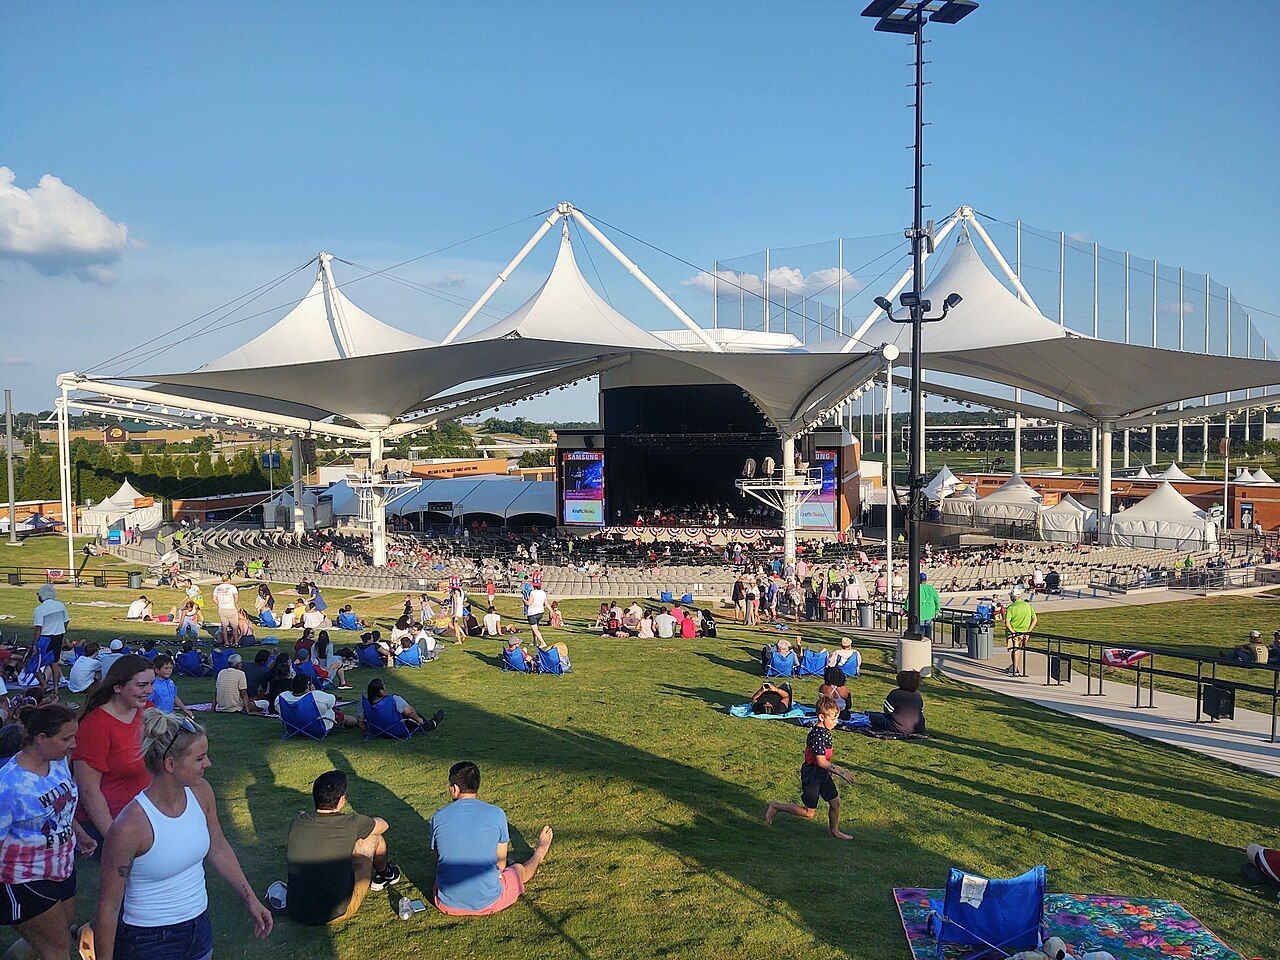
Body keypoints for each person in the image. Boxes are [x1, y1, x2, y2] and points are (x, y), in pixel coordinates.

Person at [89, 711, 273, 960]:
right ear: (170, 764)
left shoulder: (201, 793)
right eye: (199, 758)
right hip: (148, 941)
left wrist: (250, 898)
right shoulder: (130, 827)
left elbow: (218, 847)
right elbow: (108, 908)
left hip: (199, 928)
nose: (208, 764)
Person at [0, 704, 98, 960]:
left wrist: (79, 834)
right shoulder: (9, 786)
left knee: (53, 941)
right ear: (42, 739)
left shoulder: (57, 763)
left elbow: (59, 808)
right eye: (66, 738)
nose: (74, 744)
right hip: (24, 880)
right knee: (56, 951)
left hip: (63, 869)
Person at [430, 761, 554, 917]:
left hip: (446, 903)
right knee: (517, 870)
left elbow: (440, 856)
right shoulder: (496, 813)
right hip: (489, 901)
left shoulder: (438, 816)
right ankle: (540, 852)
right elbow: (501, 865)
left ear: (454, 789)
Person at [284, 770, 402, 926]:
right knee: (374, 838)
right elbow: (383, 825)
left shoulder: (298, 821)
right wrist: (364, 825)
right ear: (341, 800)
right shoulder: (351, 822)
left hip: (296, 909)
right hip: (335, 912)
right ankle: (385, 874)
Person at [73, 656, 155, 852]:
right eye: (142, 685)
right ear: (117, 687)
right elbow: (89, 791)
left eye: (152, 684)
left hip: (144, 815)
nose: (149, 691)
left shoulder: (148, 711)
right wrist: (114, 839)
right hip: (110, 822)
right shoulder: (96, 725)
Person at [763, 695, 855, 840]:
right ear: (821, 717)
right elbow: (821, 762)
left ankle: (834, 831)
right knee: (809, 813)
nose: (835, 722)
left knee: (835, 803)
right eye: (833, 719)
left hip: (823, 774)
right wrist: (841, 772)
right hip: (813, 775)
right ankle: (776, 806)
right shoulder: (818, 735)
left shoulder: (825, 732)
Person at [357, 678, 444, 735]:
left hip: (376, 730)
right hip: (396, 730)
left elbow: (360, 720)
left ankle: (432, 722)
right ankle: (433, 723)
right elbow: (409, 712)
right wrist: (418, 719)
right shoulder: (393, 699)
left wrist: (366, 731)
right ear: (381, 691)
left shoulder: (364, 703)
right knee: (416, 716)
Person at [278, 675, 358, 732]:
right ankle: (360, 722)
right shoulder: (316, 696)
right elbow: (332, 702)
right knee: (338, 713)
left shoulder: (282, 697)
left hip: (294, 726)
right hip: (316, 727)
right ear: (307, 686)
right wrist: (314, 691)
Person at [32, 585, 70, 693]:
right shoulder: (60, 605)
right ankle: (56, 688)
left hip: (45, 638)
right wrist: (62, 629)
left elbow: (38, 629)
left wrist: (34, 645)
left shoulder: (40, 609)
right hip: (58, 636)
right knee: (54, 662)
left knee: (34, 663)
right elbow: (66, 620)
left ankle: (44, 684)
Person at [867, 670, 926, 735]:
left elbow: (888, 711)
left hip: (898, 728)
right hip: (919, 728)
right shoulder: (917, 695)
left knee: (873, 717)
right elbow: (921, 711)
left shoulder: (895, 693)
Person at [1003, 586, 1037, 677]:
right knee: (1018, 650)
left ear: (1012, 597)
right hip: (1024, 632)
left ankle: (1015, 668)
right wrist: (1028, 631)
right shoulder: (1027, 605)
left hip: (1013, 632)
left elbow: (1007, 622)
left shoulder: (1011, 608)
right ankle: (1014, 665)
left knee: (1015, 650)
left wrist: (1012, 632)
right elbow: (1034, 619)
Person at [212, 573, 239, 646]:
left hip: (222, 608)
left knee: (224, 627)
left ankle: (226, 642)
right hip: (231, 608)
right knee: (235, 627)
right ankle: (236, 642)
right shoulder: (232, 587)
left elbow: (214, 599)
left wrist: (219, 604)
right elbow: (236, 597)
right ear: (229, 580)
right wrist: (235, 604)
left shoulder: (217, 588)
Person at [911, 572, 941, 639]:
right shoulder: (931, 588)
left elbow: (909, 599)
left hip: (920, 612)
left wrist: (905, 609)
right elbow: (937, 600)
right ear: (926, 579)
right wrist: (937, 610)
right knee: (928, 629)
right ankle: (928, 644)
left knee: (921, 630)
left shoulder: (916, 588)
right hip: (930, 612)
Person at [525, 582, 548, 647]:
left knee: (535, 629)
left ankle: (543, 642)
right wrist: (551, 611)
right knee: (534, 628)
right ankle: (535, 642)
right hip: (540, 612)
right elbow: (546, 603)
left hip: (533, 613)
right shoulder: (543, 593)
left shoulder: (533, 593)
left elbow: (529, 603)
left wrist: (524, 600)